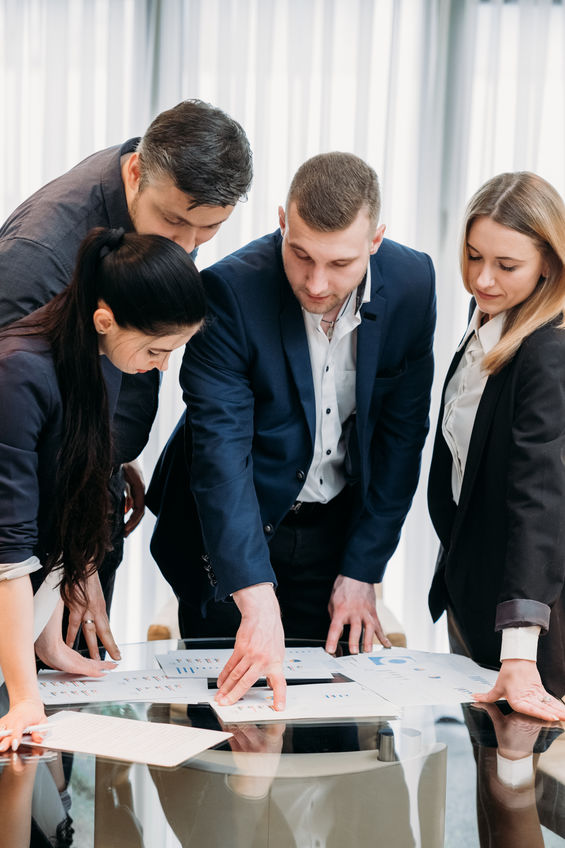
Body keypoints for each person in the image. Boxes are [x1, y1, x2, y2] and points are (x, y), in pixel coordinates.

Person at [148, 152, 436, 708]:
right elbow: (220, 456)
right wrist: (255, 603)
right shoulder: (228, 293)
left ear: (377, 240)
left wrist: (362, 569)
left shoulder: (413, 283)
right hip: (230, 532)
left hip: (335, 529)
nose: (317, 282)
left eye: (340, 263)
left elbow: (401, 437)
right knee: (232, 728)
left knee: (335, 725)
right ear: (282, 220)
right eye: (300, 254)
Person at [0, 98, 252, 637]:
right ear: (136, 171)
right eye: (176, 222)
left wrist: (112, 462)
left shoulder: (158, 213)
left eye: (206, 231)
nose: (185, 248)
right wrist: (76, 550)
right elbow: (16, 430)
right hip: (32, 535)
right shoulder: (40, 256)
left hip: (87, 502)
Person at [0, 226, 206, 752]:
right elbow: (8, 552)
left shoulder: (99, 356)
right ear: (105, 319)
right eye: (158, 349)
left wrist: (47, 642)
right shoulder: (19, 374)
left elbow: (67, 497)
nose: (162, 365)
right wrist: (27, 694)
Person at [428, 171, 565, 722]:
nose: (482, 279)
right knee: (493, 788)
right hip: (475, 595)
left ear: (548, 266)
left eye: (507, 266)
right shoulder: (488, 315)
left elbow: (540, 502)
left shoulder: (546, 352)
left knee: (519, 793)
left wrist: (519, 648)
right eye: (472, 256)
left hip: (530, 629)